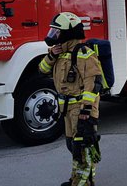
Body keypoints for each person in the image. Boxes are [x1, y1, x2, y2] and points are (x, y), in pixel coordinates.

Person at [38, 12, 102, 186]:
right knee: (72, 146)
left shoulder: (85, 54)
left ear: (68, 33)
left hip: (80, 110)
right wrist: (52, 55)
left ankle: (84, 183)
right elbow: (42, 70)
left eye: (57, 32)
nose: (54, 36)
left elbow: (93, 84)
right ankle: (76, 178)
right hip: (67, 109)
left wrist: (86, 110)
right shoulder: (59, 53)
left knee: (83, 147)